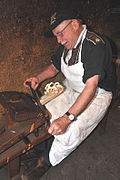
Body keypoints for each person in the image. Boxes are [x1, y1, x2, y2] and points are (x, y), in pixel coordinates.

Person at [21, 9, 116, 180]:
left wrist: (68, 118)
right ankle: (42, 147)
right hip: (71, 88)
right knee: (44, 110)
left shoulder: (94, 44)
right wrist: (37, 78)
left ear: (74, 24)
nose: (58, 40)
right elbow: (53, 68)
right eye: (56, 35)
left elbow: (91, 86)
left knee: (71, 128)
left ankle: (47, 160)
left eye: (60, 33)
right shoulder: (67, 44)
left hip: (97, 95)